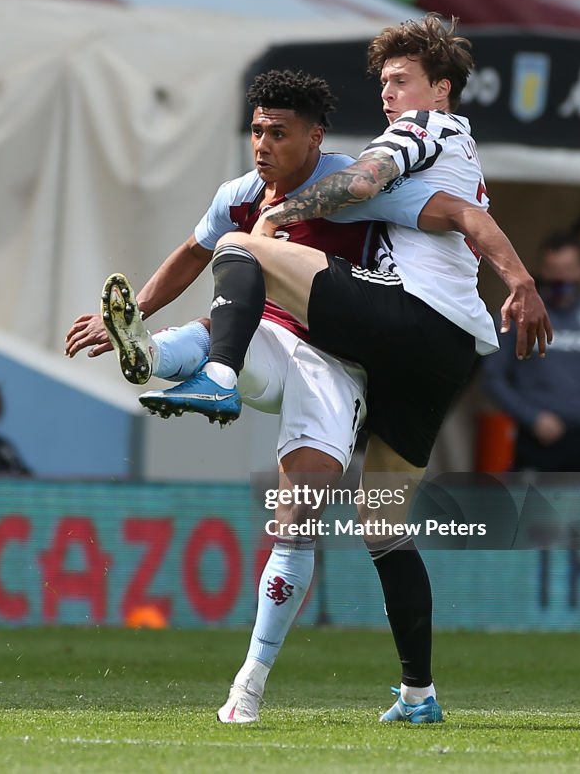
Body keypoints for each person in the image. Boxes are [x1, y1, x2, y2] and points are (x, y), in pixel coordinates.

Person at [66, 63, 534, 724]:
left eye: (277, 134)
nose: (262, 147)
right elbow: (190, 253)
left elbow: (453, 210)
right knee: (224, 309)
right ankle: (155, 356)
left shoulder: (361, 177)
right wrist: (133, 310)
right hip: (275, 345)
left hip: (339, 367)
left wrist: (515, 276)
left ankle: (255, 684)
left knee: (318, 518)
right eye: (256, 132)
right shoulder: (238, 192)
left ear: (314, 139)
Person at [484, 232, 580, 471]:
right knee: (530, 507)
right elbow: (493, 377)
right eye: (554, 269)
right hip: (533, 438)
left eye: (568, 268)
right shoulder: (519, 316)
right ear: (541, 271)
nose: (562, 277)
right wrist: (531, 416)